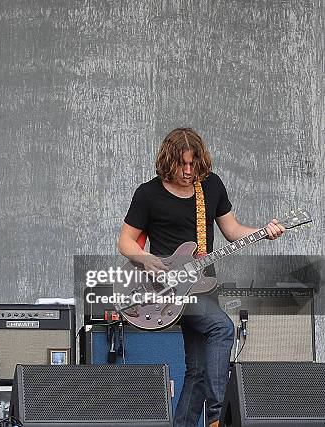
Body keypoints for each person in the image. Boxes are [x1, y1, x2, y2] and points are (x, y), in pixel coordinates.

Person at [117, 128, 284, 427]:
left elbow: (232, 231)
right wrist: (147, 259)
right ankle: (219, 415)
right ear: (168, 161)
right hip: (167, 289)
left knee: (196, 369)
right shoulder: (148, 194)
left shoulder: (211, 187)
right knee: (222, 328)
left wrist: (264, 232)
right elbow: (126, 242)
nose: (188, 170)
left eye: (193, 164)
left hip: (203, 283)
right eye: (181, 164)